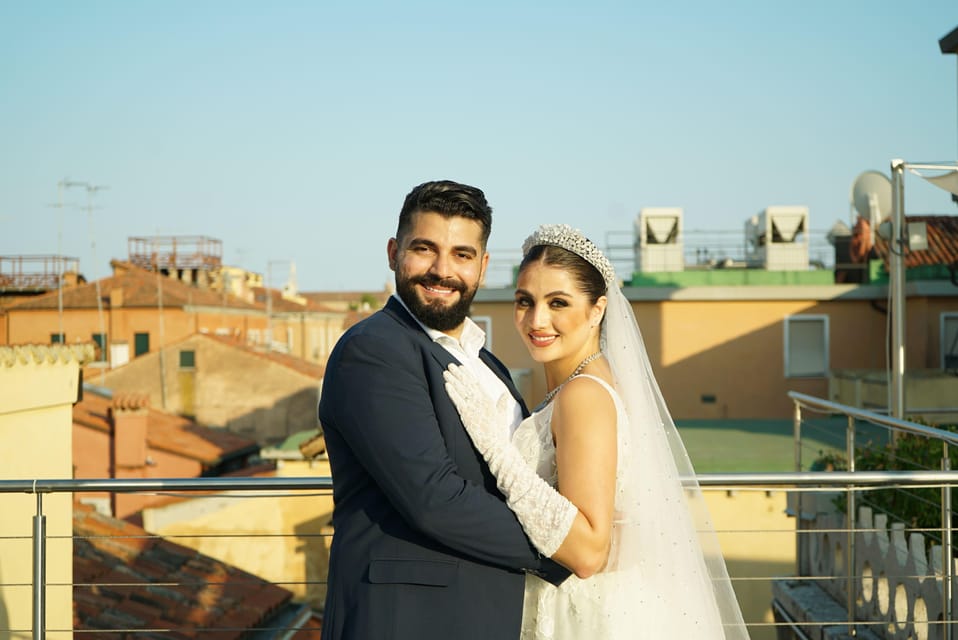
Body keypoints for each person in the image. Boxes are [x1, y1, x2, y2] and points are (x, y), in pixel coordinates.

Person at [444, 224, 750, 639]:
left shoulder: (583, 395)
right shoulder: (589, 385)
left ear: (597, 310)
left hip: (584, 616)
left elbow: (588, 550)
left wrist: (497, 452)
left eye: (558, 303)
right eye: (525, 301)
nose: (537, 320)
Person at [317, 181, 570, 640]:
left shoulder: (486, 362)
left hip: (489, 611)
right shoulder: (374, 351)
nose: (442, 270)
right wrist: (566, 546)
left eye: (462, 254)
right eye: (424, 248)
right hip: (408, 619)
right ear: (394, 252)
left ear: (483, 266)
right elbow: (434, 498)